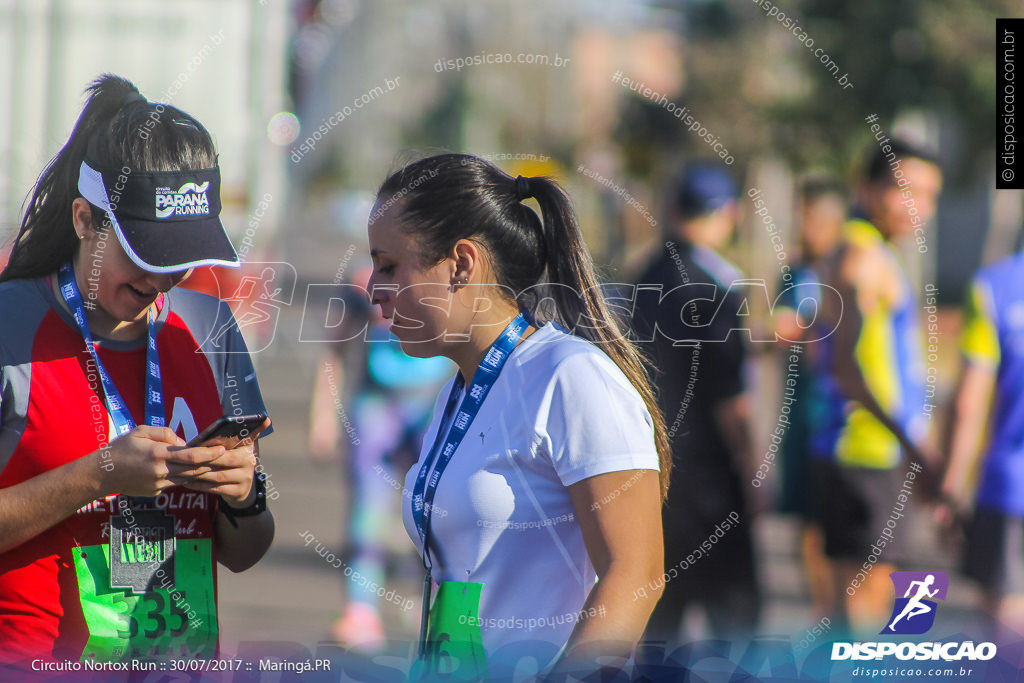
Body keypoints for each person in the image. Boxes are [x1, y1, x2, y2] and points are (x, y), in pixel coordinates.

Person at [0, 75, 273, 668]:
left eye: (179, 257)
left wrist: (244, 498)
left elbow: (245, 551)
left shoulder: (210, 327)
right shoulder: (9, 324)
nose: (160, 280)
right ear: (82, 219)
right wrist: (98, 475)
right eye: (144, 254)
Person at [366, 153, 669, 678]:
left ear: (462, 262)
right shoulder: (456, 394)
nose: (374, 288)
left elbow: (637, 572)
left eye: (389, 265)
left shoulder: (571, 375)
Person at [809, 139, 942, 634]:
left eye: (930, 195)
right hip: (863, 454)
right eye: (906, 191)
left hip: (871, 453)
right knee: (867, 614)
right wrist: (914, 443)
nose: (918, 208)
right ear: (867, 188)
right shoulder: (861, 257)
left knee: (877, 608)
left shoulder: (862, 249)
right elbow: (847, 365)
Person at [632, 163, 761, 644]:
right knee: (736, 620)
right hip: (711, 478)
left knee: (661, 619)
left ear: (671, 210)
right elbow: (731, 397)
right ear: (728, 214)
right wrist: (752, 469)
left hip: (654, 470)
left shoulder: (643, 277)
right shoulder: (716, 288)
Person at [308, 268, 451, 647]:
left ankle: (441, 610)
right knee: (368, 512)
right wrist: (322, 418)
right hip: (376, 407)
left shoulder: (445, 278)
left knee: (442, 515)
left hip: (432, 405)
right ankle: (361, 612)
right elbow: (333, 352)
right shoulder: (361, 285)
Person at [773, 174, 848, 620]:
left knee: (847, 531)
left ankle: (845, 615)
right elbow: (779, 328)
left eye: (815, 219)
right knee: (806, 522)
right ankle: (824, 612)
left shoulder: (853, 266)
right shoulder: (794, 273)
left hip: (845, 422)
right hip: (803, 417)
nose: (806, 228)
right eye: (801, 218)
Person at [939, 251, 1024, 640]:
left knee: (1004, 616)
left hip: (1009, 488)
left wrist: (951, 485)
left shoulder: (994, 286)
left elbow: (968, 404)